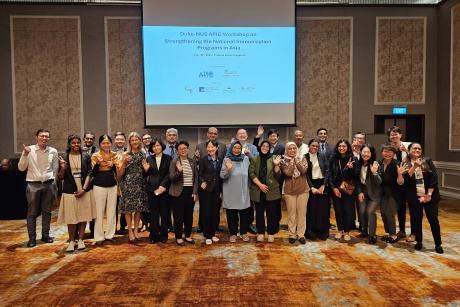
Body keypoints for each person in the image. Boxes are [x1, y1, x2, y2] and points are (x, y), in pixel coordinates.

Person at [18, 129, 59, 247]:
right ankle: (32, 238)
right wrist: (25, 154)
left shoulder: (53, 151)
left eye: (47, 136)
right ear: (37, 137)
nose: (44, 138)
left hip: (49, 184)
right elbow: (21, 168)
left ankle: (45, 235)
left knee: (47, 212)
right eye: (42, 136)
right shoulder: (29, 150)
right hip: (33, 185)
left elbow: (55, 168)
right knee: (32, 213)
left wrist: (54, 183)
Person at [57, 134, 96, 252]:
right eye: (73, 143)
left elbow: (90, 173)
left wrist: (84, 189)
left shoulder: (86, 156)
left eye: (78, 142)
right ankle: (71, 240)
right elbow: (60, 177)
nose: (76, 145)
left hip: (84, 189)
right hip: (70, 190)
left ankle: (80, 240)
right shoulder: (63, 157)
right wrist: (63, 168)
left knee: (83, 216)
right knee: (71, 217)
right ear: (69, 144)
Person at [403, 143, 443, 254]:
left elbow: (434, 178)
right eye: (414, 148)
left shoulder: (427, 160)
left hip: (429, 196)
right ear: (409, 150)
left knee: (433, 218)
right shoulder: (405, 163)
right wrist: (414, 166)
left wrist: (428, 194)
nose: (417, 150)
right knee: (416, 219)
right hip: (416, 198)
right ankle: (419, 241)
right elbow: (405, 181)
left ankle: (438, 244)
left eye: (419, 148)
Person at [91, 135, 122, 246]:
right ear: (100, 144)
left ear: (111, 143)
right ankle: (99, 236)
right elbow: (93, 173)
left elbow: (118, 172)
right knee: (99, 212)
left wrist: (113, 166)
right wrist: (98, 164)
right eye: (103, 143)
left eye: (108, 142)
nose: (106, 145)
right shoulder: (95, 155)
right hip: (99, 186)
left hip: (112, 186)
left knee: (112, 211)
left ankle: (110, 235)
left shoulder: (114, 155)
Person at [118, 132, 149, 243]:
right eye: (132, 140)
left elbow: (146, 170)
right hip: (127, 184)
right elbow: (120, 173)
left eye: (136, 140)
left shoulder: (142, 154)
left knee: (138, 209)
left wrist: (146, 169)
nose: (135, 142)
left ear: (139, 141)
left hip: (140, 183)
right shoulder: (126, 154)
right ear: (129, 142)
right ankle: (130, 231)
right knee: (128, 209)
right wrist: (124, 163)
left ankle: (136, 230)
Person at [249, 141, 282, 243]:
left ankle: (271, 233)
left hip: (272, 191)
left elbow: (278, 176)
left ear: (269, 148)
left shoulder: (274, 158)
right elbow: (251, 173)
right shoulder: (255, 159)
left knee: (271, 213)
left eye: (267, 146)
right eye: (263, 146)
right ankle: (261, 233)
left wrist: (276, 165)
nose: (265, 148)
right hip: (258, 190)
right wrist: (260, 185)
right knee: (259, 213)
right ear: (260, 147)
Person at [195, 127, 226, 233]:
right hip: (205, 184)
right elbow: (197, 165)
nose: (213, 135)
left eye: (215, 133)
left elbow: (223, 163)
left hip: (217, 183)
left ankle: (215, 226)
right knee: (204, 208)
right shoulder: (199, 146)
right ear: (207, 134)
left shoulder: (222, 146)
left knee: (216, 207)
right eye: (211, 133)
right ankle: (202, 226)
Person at [220, 141, 252, 243]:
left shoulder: (246, 159)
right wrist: (229, 169)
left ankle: (243, 233)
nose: (237, 150)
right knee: (231, 214)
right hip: (230, 191)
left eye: (239, 148)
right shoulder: (226, 159)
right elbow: (222, 176)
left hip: (243, 191)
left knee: (244, 214)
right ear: (231, 149)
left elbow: (250, 173)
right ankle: (233, 233)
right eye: (235, 148)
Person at [328, 139, 359, 241]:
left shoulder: (353, 158)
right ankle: (340, 230)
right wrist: (333, 188)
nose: (341, 148)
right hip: (336, 188)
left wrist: (351, 168)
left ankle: (347, 231)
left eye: (344, 146)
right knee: (338, 210)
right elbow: (330, 175)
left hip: (348, 188)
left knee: (348, 210)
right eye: (340, 146)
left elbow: (356, 175)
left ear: (347, 147)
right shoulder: (333, 158)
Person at [169, 140, 198, 246]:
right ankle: (178, 237)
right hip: (177, 193)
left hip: (190, 192)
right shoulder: (174, 162)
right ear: (177, 151)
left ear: (188, 149)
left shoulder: (192, 161)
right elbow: (171, 178)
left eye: (185, 148)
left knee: (189, 216)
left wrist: (195, 192)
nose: (183, 150)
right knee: (178, 216)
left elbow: (196, 178)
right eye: (180, 149)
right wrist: (179, 171)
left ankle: (188, 236)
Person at [144, 138, 172, 244]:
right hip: (152, 190)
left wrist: (162, 186)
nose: (156, 148)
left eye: (158, 145)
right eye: (154, 146)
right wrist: (145, 170)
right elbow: (145, 175)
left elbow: (169, 174)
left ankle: (164, 235)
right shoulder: (149, 158)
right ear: (152, 148)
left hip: (164, 190)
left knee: (165, 214)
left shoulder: (168, 158)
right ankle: (153, 235)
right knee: (153, 214)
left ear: (162, 146)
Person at [281, 142, 309, 244]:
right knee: (291, 214)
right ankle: (292, 234)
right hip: (289, 191)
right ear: (287, 150)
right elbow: (288, 173)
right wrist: (291, 162)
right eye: (290, 149)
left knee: (302, 214)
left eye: (294, 148)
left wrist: (296, 161)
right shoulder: (283, 161)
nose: (292, 150)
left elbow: (303, 170)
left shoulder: (302, 158)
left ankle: (301, 234)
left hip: (303, 190)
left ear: (297, 149)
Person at [387, 126, 412, 240]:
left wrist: (407, 151)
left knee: (413, 206)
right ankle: (402, 230)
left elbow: (418, 157)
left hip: (410, 178)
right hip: (397, 180)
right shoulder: (389, 148)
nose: (394, 136)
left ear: (401, 135)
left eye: (396, 133)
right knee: (400, 206)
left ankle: (414, 233)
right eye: (392, 134)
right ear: (389, 137)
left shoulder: (408, 145)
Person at [379, 144, 405, 244]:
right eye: (385, 151)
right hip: (383, 193)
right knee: (383, 214)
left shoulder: (397, 164)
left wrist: (399, 174)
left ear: (393, 153)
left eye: (390, 152)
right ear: (382, 152)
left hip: (395, 194)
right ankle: (390, 233)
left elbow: (400, 182)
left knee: (389, 213)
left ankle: (393, 235)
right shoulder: (379, 163)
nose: (387, 153)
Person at [198, 140, 223, 245]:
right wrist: (202, 181)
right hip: (206, 190)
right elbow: (199, 174)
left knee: (215, 212)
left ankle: (213, 234)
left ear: (216, 148)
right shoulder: (203, 160)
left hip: (216, 190)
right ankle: (207, 235)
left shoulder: (220, 160)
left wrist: (221, 190)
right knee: (206, 212)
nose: (210, 149)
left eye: (212, 147)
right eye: (208, 147)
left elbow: (221, 175)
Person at [356, 144, 381, 244]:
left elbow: (379, 182)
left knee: (370, 212)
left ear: (372, 154)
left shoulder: (376, 164)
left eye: (368, 152)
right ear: (360, 152)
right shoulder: (358, 164)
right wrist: (359, 192)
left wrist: (374, 173)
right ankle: (364, 231)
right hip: (363, 191)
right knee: (362, 212)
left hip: (375, 193)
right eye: (364, 152)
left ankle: (372, 235)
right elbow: (356, 180)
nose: (366, 154)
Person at [305, 139, 330, 241]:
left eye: (316, 146)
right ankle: (311, 232)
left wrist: (324, 185)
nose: (315, 147)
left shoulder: (322, 156)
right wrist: (311, 187)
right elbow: (305, 174)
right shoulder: (304, 157)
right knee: (311, 210)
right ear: (309, 146)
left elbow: (328, 171)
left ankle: (322, 232)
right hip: (311, 185)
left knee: (323, 210)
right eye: (313, 146)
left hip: (322, 184)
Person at [113, 132, 127, 235]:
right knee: (113, 206)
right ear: (114, 140)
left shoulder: (129, 152)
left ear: (125, 141)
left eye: (121, 139)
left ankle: (123, 227)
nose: (119, 141)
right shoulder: (110, 152)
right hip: (113, 182)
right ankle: (113, 228)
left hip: (126, 182)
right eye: (117, 139)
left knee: (124, 206)